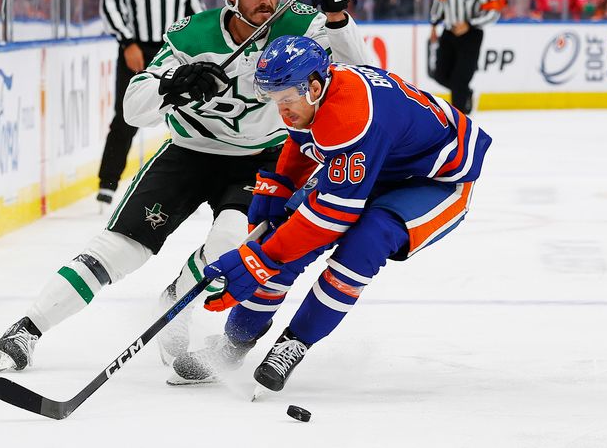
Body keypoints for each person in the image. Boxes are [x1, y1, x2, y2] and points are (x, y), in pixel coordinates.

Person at [0, 0, 373, 372]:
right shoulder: (192, 36)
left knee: (228, 246)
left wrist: (338, 13)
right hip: (189, 153)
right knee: (118, 250)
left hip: (260, 161)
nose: (267, 0)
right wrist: (173, 85)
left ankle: (176, 300)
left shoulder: (304, 25)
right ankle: (28, 328)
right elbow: (133, 107)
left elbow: (365, 78)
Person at [169, 34, 492, 391]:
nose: (283, 109)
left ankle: (295, 342)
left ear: (314, 86)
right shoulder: (306, 93)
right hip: (382, 160)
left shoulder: (350, 116)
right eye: (274, 100)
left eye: (287, 99)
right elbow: (299, 139)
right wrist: (276, 186)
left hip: (436, 180)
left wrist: (257, 258)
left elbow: (330, 219)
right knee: (280, 236)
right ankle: (232, 345)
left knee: (365, 244)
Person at [96, 0, 203, 208]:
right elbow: (110, 2)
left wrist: (200, 45)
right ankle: (107, 184)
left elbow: (195, 8)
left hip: (174, 49)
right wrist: (127, 41)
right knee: (127, 115)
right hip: (137, 48)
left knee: (190, 114)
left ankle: (195, 182)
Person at [429, 0, 499, 114]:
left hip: (471, 36)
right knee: (440, 74)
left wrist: (470, 24)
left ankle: (460, 121)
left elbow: (493, 12)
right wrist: (434, 24)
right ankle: (466, 94)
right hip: (449, 32)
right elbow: (440, 1)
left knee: (460, 79)